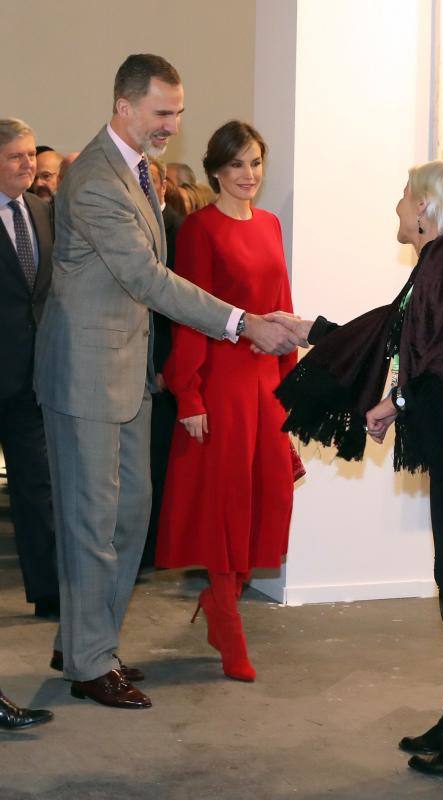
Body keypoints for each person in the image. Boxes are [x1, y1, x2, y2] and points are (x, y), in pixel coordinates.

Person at [34, 54, 302, 711]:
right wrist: (241, 322)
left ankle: (83, 641)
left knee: (126, 517)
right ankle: (89, 663)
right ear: (123, 105)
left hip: (126, 374)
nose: (171, 125)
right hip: (85, 375)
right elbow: (147, 279)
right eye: (161, 113)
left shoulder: (140, 171)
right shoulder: (97, 177)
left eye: (178, 113)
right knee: (92, 521)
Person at [274, 160, 443, 778]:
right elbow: (389, 336)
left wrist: (394, 402)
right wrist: (310, 331)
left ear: (429, 209)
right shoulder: (437, 269)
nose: (399, 205)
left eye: (407, 195)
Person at [155, 121, 296, 683]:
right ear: (216, 169)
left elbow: (283, 311)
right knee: (225, 502)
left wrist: (292, 391)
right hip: (220, 382)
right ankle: (227, 616)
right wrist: (188, 393)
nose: (248, 175)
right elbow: (189, 315)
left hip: (265, 385)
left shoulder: (270, 224)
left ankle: (221, 603)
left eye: (256, 163)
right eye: (237, 165)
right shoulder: (199, 228)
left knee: (267, 496)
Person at [0, 118, 55, 729]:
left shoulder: (40, 212)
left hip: (30, 380)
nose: (26, 166)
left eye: (28, 156)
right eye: (15, 156)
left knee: (37, 486)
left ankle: (48, 591)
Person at [140, 157, 182, 568]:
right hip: (140, 357)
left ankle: (152, 549)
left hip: (163, 362)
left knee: (158, 460)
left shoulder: (178, 228)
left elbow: (175, 303)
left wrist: (165, 363)